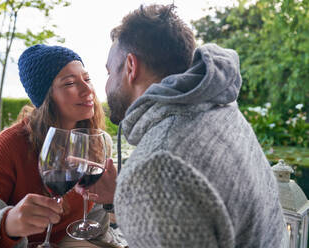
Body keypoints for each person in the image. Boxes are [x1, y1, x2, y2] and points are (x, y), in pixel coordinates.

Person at [84, 4, 288, 248]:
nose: (105, 87)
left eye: (109, 72)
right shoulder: (220, 109)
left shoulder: (155, 166)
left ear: (131, 66)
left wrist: (137, 191)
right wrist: (124, 199)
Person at [0, 44, 108, 247]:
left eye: (87, 79)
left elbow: (95, 219)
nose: (88, 89)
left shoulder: (95, 141)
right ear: (46, 97)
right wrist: (7, 224)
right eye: (70, 83)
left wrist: (112, 199)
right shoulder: (10, 146)